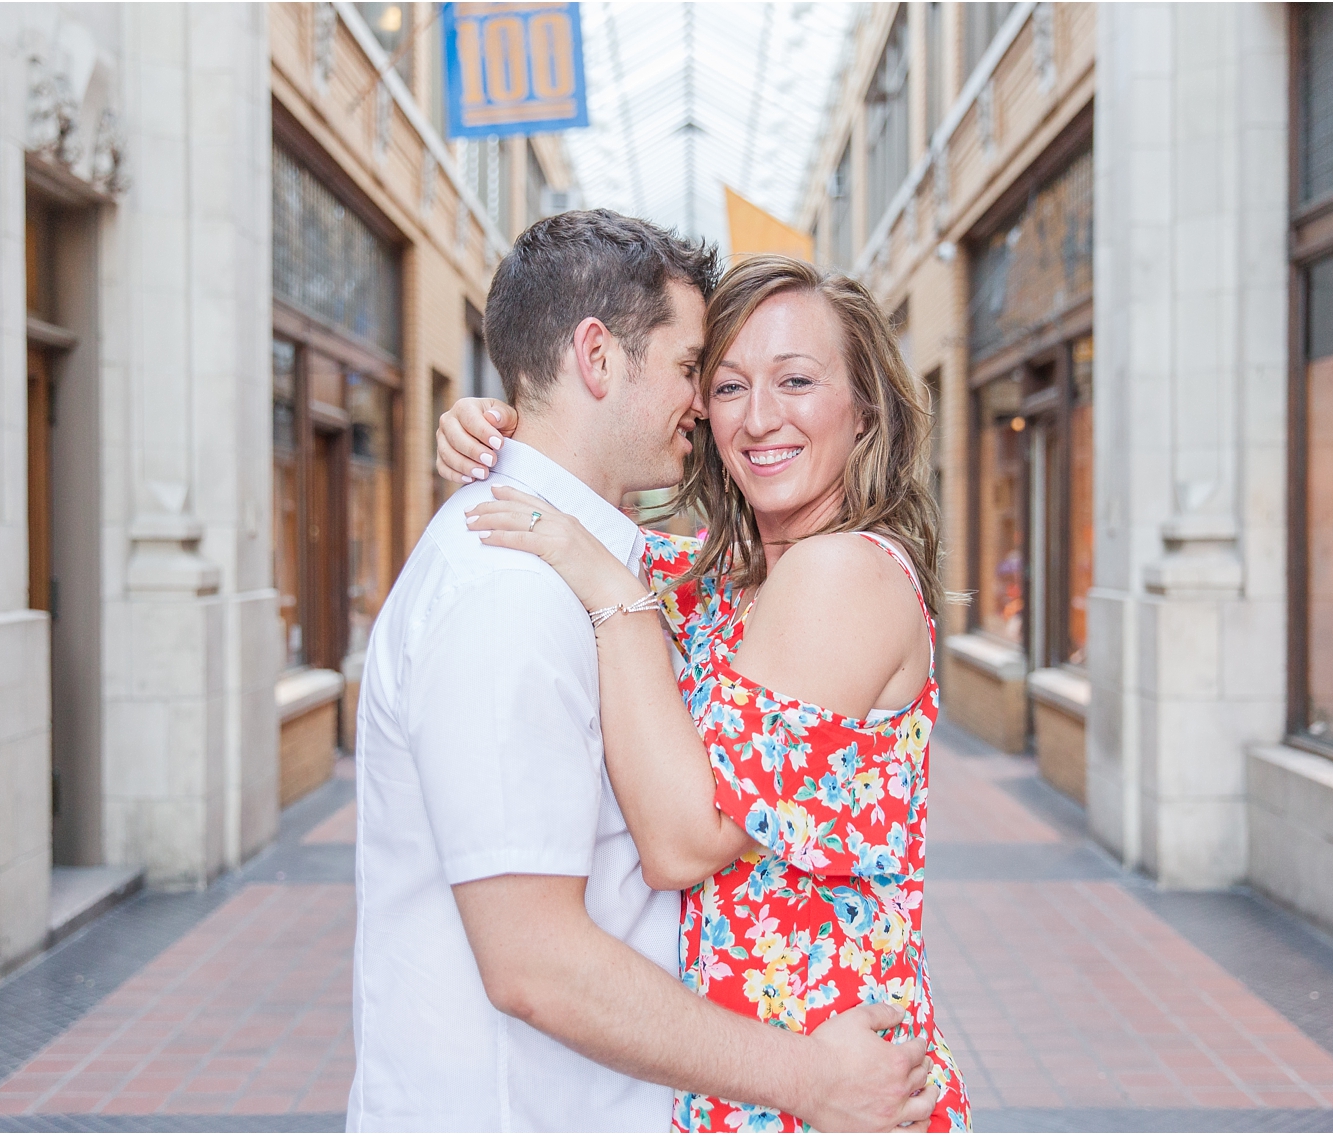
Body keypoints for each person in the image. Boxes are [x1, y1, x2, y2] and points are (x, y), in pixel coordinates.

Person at [348, 214, 937, 1133]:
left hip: (825, 1080)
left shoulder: (839, 573)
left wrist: (596, 568)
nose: (732, 412)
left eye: (796, 380)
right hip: (771, 1078)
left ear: (865, 407)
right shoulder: (708, 579)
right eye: (715, 378)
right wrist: (492, 430)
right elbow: (533, 959)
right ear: (595, 356)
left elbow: (681, 838)